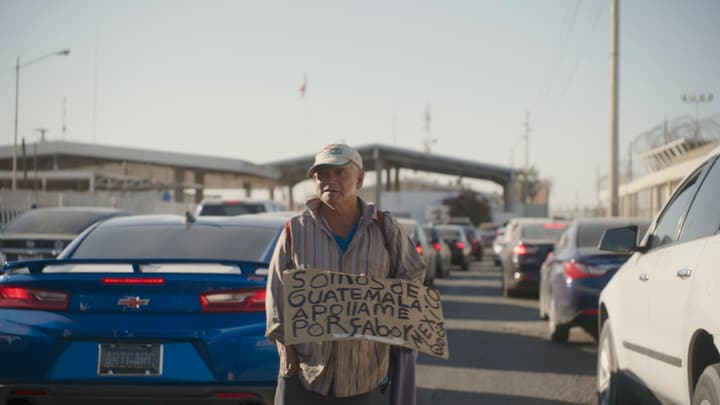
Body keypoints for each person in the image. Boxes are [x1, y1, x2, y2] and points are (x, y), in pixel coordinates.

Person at [265, 143, 426, 404]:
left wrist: (379, 296)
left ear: (360, 178)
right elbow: (276, 298)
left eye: (340, 173)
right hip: (309, 378)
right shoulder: (295, 231)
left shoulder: (386, 229)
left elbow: (413, 280)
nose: (331, 180)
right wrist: (288, 357)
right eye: (323, 174)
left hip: (367, 380)